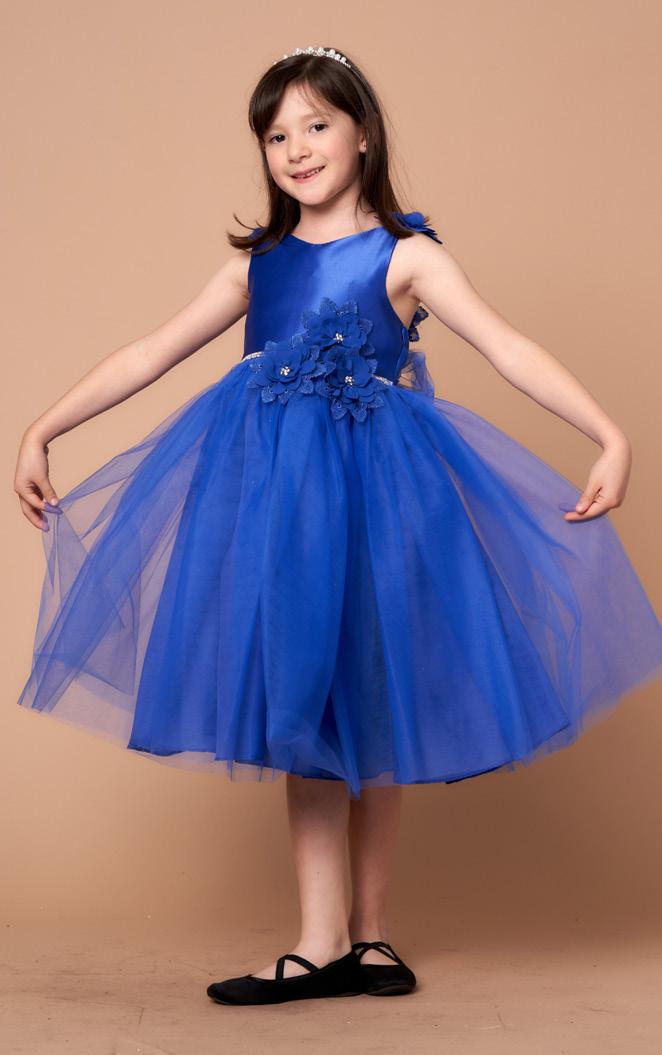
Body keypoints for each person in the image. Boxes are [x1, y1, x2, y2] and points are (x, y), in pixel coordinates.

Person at [14, 45, 662, 1007]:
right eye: (277, 135)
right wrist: (43, 427)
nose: (298, 148)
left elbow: (507, 345)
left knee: (373, 700)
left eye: (317, 125)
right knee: (303, 702)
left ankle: (371, 934)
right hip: (277, 519)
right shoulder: (257, 267)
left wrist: (608, 433)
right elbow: (151, 351)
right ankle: (319, 941)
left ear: (363, 134)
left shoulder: (406, 254)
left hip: (381, 510)